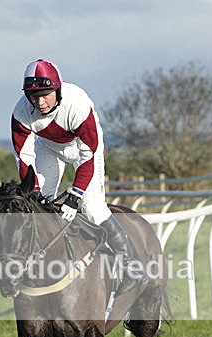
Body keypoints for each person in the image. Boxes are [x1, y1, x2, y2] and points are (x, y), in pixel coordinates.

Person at [10, 58, 144, 293]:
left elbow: (87, 157)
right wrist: (36, 191)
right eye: (34, 96)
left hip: (85, 148)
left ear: (57, 89)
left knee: (91, 208)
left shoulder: (77, 105)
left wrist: (75, 195)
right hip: (49, 147)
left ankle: (132, 265)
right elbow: (24, 158)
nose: (40, 102)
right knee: (39, 205)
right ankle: (44, 267)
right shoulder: (21, 112)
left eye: (46, 94)